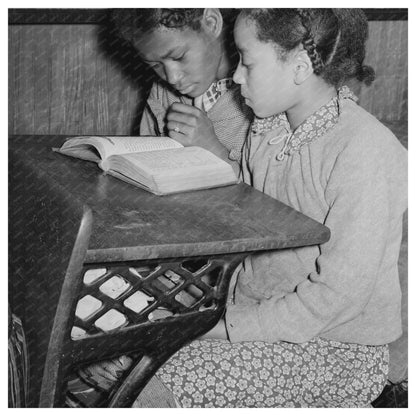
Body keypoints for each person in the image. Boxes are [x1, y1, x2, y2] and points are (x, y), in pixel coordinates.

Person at [129, 8, 407, 408]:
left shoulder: (364, 150)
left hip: (339, 350)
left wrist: (219, 327)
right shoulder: (269, 130)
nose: (237, 76)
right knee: (128, 362)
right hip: (260, 321)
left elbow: (339, 297)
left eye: (247, 60)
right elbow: (247, 205)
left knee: (155, 387)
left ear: (298, 66)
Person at [112, 8, 253, 174]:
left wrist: (215, 152)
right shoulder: (163, 93)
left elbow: (269, 195)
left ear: (211, 23)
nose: (171, 78)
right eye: (155, 65)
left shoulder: (260, 98)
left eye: (179, 57)